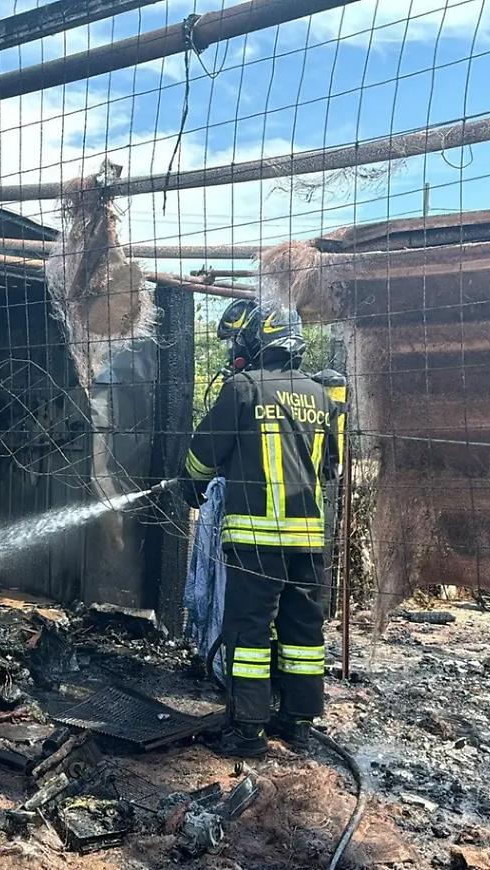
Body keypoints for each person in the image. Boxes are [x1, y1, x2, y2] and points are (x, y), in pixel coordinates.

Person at [183, 299, 340, 757]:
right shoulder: (321, 398)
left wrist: (191, 487)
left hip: (256, 540)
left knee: (249, 633)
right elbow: (330, 466)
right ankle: (299, 725)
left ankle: (248, 731)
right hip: (310, 541)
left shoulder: (243, 388)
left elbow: (203, 454)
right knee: (304, 632)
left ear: (257, 341)